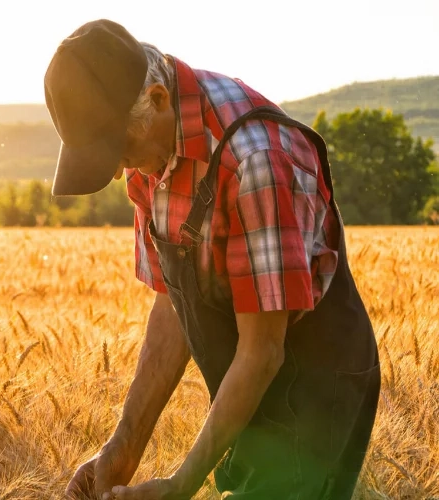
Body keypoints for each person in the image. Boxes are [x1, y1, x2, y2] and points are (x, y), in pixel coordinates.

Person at [43, 19, 381, 500]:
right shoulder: (152, 153)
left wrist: (181, 486)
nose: (118, 171)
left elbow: (263, 351)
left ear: (158, 100)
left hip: (315, 385)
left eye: (118, 149)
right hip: (243, 386)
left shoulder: (255, 161)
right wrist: (122, 447)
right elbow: (172, 307)